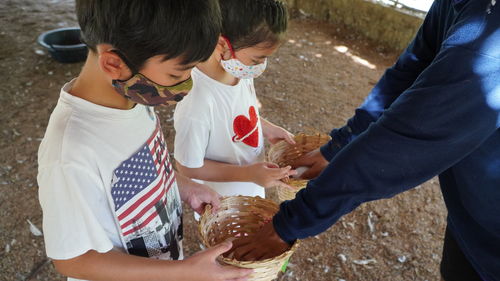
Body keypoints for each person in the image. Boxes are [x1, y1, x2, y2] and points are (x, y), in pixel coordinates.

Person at [229, 0, 500, 280]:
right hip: (472, 221)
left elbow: (406, 140)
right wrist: (337, 146)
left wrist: (288, 223)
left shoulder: (491, 44)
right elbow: (410, 71)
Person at [36, 0, 252, 280]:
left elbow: (144, 167)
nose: (188, 84)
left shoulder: (134, 95)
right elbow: (73, 260)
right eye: (178, 73)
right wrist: (182, 272)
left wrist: (182, 185)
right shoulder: (70, 152)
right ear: (114, 63)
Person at [173, 0, 295, 200]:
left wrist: (267, 128)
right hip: (223, 202)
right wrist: (249, 174)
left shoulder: (238, 71)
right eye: (257, 59)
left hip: (251, 187)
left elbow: (237, 114)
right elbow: (188, 167)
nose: (262, 65)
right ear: (222, 44)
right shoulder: (197, 102)